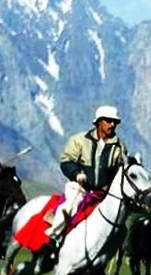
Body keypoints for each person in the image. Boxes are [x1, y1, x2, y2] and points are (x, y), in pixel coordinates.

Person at [45, 105, 128, 248]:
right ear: (99, 122)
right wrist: (76, 173)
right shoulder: (79, 140)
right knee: (71, 205)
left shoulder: (120, 147)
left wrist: (110, 183)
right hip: (79, 187)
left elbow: (119, 171)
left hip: (103, 193)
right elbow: (66, 161)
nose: (112, 124)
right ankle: (53, 237)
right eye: (108, 121)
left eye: (115, 122)